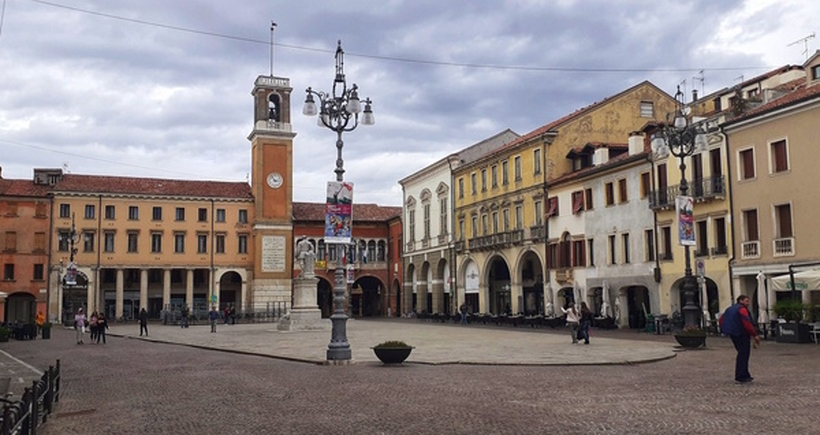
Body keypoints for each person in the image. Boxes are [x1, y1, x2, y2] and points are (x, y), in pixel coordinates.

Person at [719, 294, 760, 384]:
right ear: (741, 301)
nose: (748, 303)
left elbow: (721, 319)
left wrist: (725, 329)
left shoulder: (730, 309)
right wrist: (754, 334)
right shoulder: (742, 310)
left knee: (741, 354)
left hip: (733, 333)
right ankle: (741, 376)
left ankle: (745, 374)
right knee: (743, 355)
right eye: (746, 301)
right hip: (741, 333)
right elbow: (746, 322)